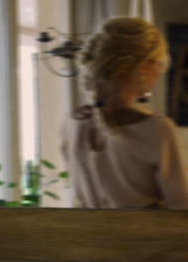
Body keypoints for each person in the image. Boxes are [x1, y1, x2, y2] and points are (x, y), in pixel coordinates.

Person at [61, 16, 188, 209]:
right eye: (160, 63)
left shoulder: (71, 123)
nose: (161, 71)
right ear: (144, 67)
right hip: (142, 230)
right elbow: (182, 209)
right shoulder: (157, 129)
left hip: (88, 230)